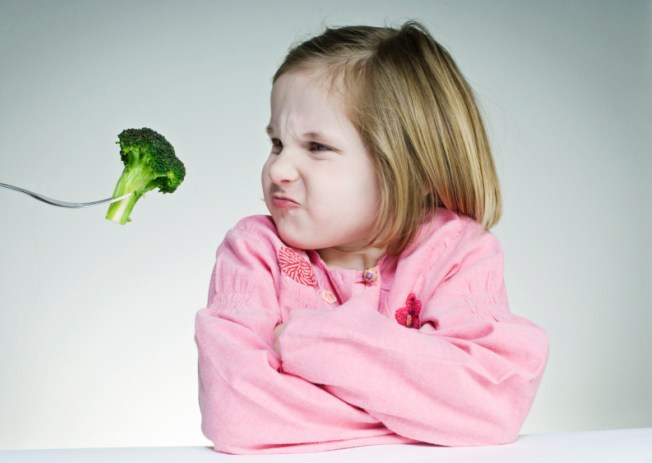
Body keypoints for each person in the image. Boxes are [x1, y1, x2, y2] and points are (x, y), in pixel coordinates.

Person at [195, 21, 548, 454]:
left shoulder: (457, 252)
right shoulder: (254, 251)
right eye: (276, 143)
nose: (279, 170)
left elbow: (491, 404)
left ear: (414, 169)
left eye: (317, 147)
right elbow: (235, 414)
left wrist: (311, 340)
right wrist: (424, 412)